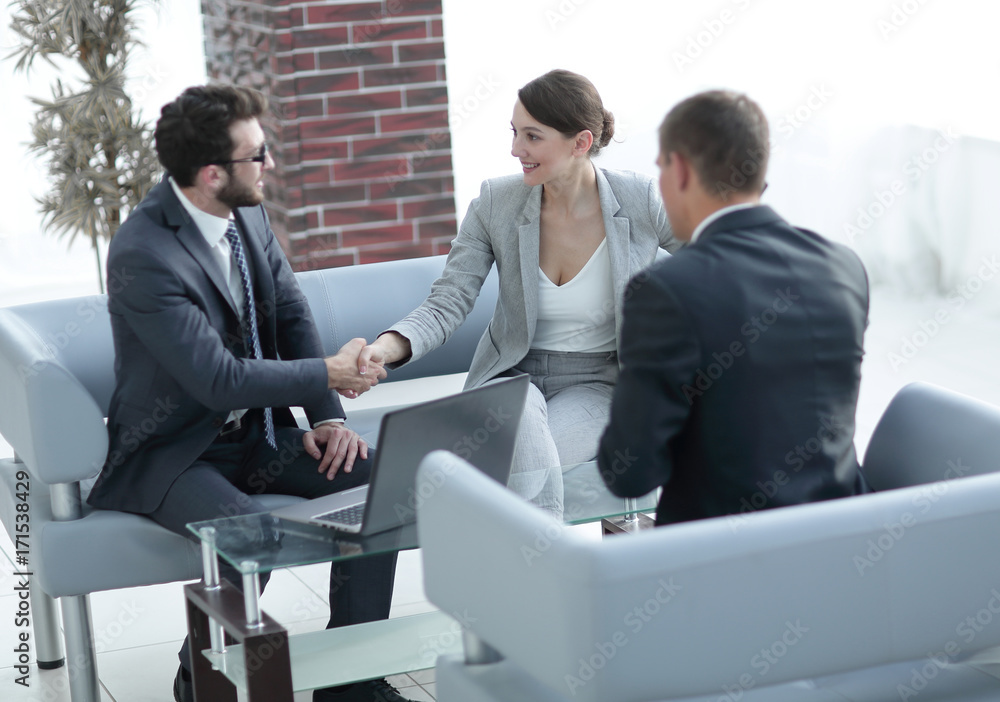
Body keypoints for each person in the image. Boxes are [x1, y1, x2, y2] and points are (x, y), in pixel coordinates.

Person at [86, 85, 415, 702]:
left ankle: (350, 680)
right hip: (177, 452)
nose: (269, 165)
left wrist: (329, 417)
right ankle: (200, 682)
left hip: (259, 435)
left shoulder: (247, 210)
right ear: (212, 173)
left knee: (381, 484)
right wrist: (330, 372)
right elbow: (218, 379)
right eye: (257, 155)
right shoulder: (143, 253)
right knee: (248, 533)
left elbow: (289, 311)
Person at [362, 69, 681, 516]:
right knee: (526, 450)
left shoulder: (641, 200)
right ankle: (553, 578)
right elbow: (449, 299)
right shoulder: (497, 202)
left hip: (598, 385)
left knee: (525, 468)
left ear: (581, 142)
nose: (516, 150)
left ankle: (519, 576)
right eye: (515, 133)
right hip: (512, 377)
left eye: (532, 136)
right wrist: (387, 348)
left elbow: (714, 262)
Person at [597, 90, 870, 525]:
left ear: (680, 169)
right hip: (842, 542)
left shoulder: (666, 289)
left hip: (721, 561)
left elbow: (629, 473)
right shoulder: (843, 266)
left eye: (660, 169)